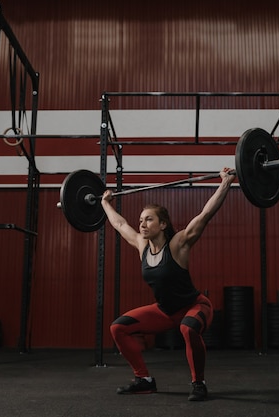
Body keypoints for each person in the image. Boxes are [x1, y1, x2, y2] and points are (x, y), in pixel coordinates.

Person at [101, 167, 236, 402]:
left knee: (187, 328)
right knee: (117, 328)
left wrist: (226, 182)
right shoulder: (142, 246)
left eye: (148, 219)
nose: (142, 224)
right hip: (165, 311)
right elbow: (120, 225)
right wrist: (105, 203)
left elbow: (205, 214)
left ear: (163, 224)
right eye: (141, 220)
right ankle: (144, 380)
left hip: (195, 306)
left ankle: (198, 383)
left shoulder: (178, 244)